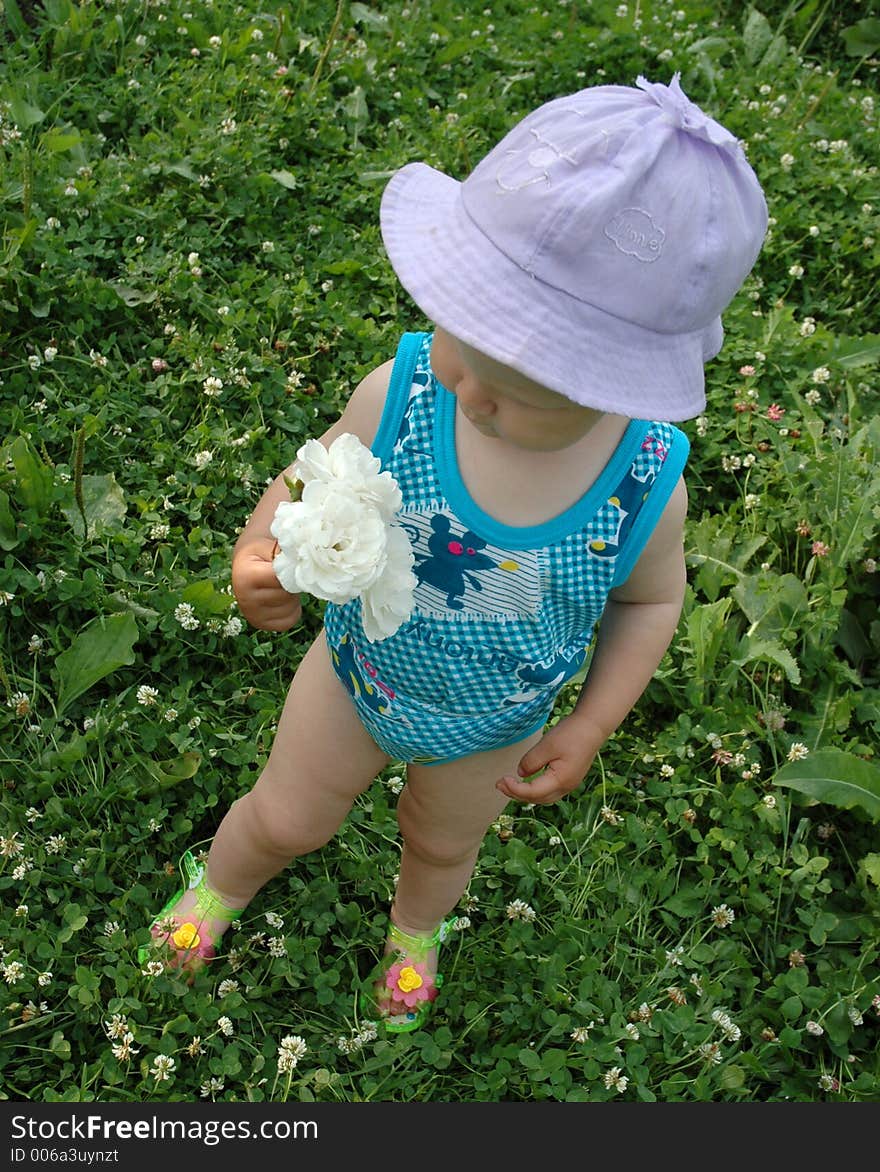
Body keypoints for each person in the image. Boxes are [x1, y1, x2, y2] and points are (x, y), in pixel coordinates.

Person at [140, 73, 767, 1031]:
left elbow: (650, 606)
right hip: (358, 677)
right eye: (461, 342)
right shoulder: (402, 391)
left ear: (617, 385)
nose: (470, 388)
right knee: (289, 816)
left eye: (524, 393)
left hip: (496, 721)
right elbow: (313, 477)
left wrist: (591, 724)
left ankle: (415, 933)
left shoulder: (646, 484)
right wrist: (262, 549)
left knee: (440, 846)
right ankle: (220, 885)